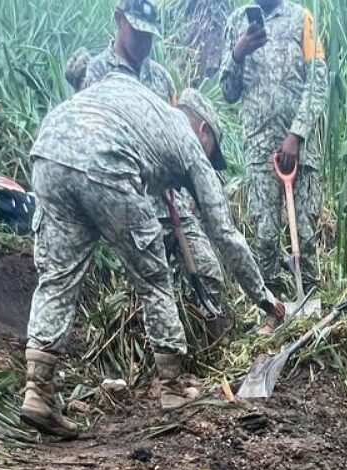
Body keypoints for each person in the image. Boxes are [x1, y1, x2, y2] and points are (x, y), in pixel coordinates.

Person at [22, 74, 285, 440]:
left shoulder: (141, 105)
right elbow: (224, 234)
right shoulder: (190, 145)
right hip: (107, 162)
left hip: (49, 150)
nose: (210, 161)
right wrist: (265, 299)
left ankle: (38, 392)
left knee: (57, 278)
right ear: (204, 132)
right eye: (213, 154)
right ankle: (173, 388)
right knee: (153, 279)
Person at [66, 0, 228, 312]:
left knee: (207, 272)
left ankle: (211, 346)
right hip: (123, 201)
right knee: (147, 292)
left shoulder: (161, 79)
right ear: (119, 20)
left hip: (168, 203)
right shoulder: (96, 72)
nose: (144, 43)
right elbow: (90, 139)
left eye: (149, 36)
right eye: (137, 32)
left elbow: (174, 137)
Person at [220, 0, 327, 324]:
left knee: (305, 232)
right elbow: (227, 92)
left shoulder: (302, 19)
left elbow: (318, 82)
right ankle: (274, 308)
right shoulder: (237, 23)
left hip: (301, 149)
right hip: (258, 148)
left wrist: (296, 134)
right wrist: (238, 53)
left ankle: (310, 300)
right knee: (265, 234)